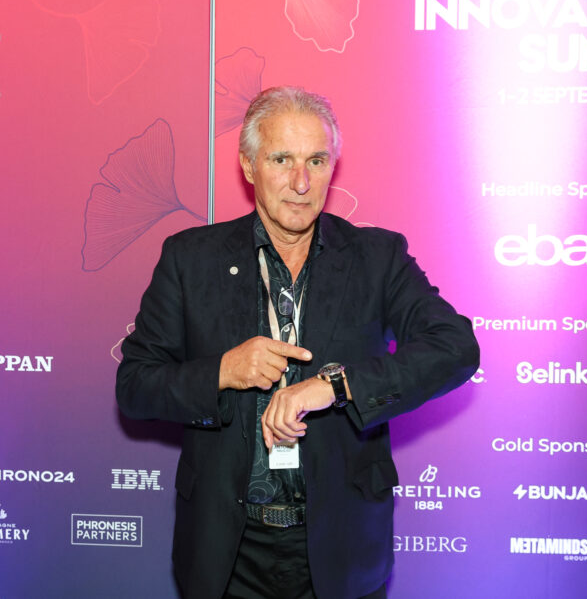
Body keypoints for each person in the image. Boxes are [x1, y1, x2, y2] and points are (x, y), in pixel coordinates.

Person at [116, 86, 479, 599]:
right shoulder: (189, 259)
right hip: (226, 552)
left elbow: (455, 347)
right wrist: (223, 371)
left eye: (316, 161)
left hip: (341, 546)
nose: (301, 182)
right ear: (248, 165)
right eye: (281, 159)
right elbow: (134, 385)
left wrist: (336, 386)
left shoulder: (377, 258)